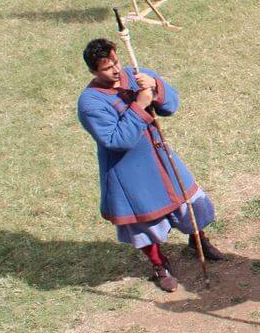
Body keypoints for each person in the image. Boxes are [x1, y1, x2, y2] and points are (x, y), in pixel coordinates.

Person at [77, 37, 226, 293]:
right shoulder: (90, 103)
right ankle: (159, 265)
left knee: (190, 204)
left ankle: (198, 240)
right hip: (129, 172)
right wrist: (140, 105)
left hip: (162, 158)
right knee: (144, 223)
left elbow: (171, 106)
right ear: (93, 71)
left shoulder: (137, 75)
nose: (116, 70)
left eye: (116, 62)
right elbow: (117, 140)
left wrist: (156, 86)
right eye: (107, 68)